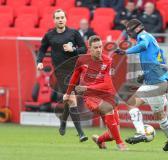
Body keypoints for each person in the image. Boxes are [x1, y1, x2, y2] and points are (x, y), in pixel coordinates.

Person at [116, 19, 168, 151]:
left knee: (158, 115)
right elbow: (156, 61)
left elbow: (143, 46)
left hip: (156, 83)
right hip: (155, 80)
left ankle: (142, 133)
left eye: (130, 31)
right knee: (136, 106)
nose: (129, 35)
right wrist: (145, 75)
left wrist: (125, 51)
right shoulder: (151, 38)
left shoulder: (143, 36)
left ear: (137, 29)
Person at [63, 35, 127, 151]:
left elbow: (107, 84)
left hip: (106, 95)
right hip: (91, 97)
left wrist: (86, 87)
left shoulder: (107, 60)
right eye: (96, 48)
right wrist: (68, 93)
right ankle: (120, 144)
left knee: (112, 134)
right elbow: (74, 77)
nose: (99, 50)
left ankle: (99, 140)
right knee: (108, 109)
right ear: (90, 48)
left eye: (100, 47)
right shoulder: (82, 60)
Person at [36, 9, 88, 142]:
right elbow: (42, 49)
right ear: (54, 20)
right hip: (60, 71)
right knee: (71, 98)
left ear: (66, 19)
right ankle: (81, 133)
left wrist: (73, 49)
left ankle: (63, 120)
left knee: (68, 98)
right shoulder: (49, 35)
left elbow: (84, 48)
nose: (60, 20)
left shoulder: (73, 33)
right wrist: (39, 61)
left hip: (74, 69)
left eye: (62, 17)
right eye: (58, 18)